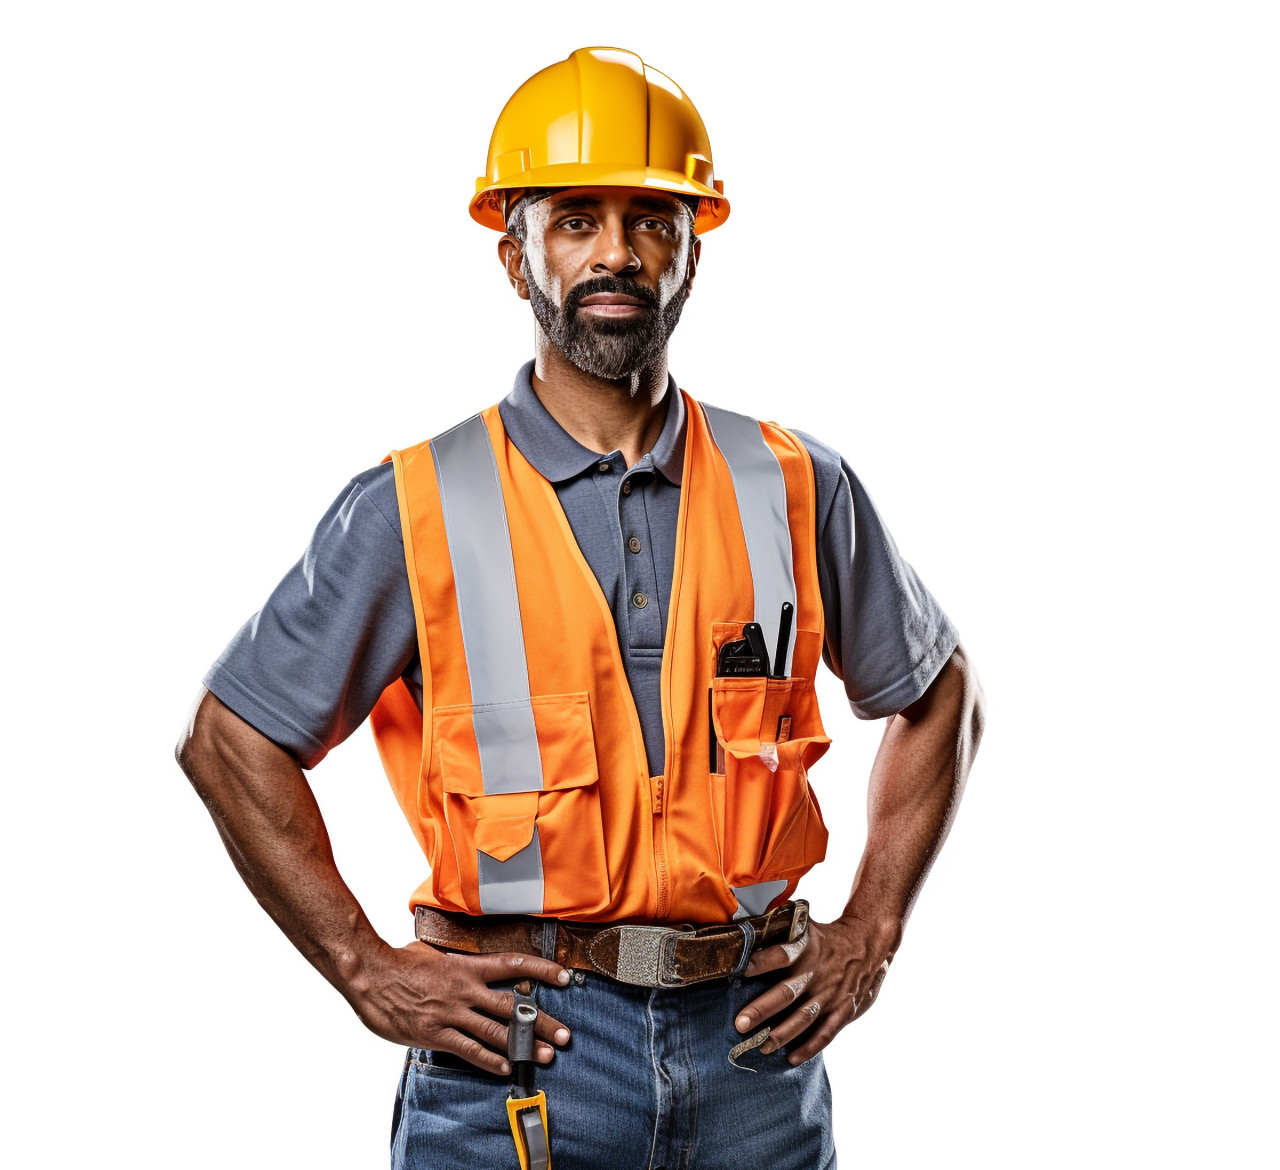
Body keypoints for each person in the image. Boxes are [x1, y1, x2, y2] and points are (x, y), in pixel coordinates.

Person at [177, 46, 985, 1170]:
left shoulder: (795, 484)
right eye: (574, 220)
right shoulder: (418, 506)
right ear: (515, 255)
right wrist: (366, 969)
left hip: (753, 1049)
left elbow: (938, 694)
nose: (616, 253)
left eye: (651, 218)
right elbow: (230, 740)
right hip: (522, 1048)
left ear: (694, 245)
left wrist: (871, 933)